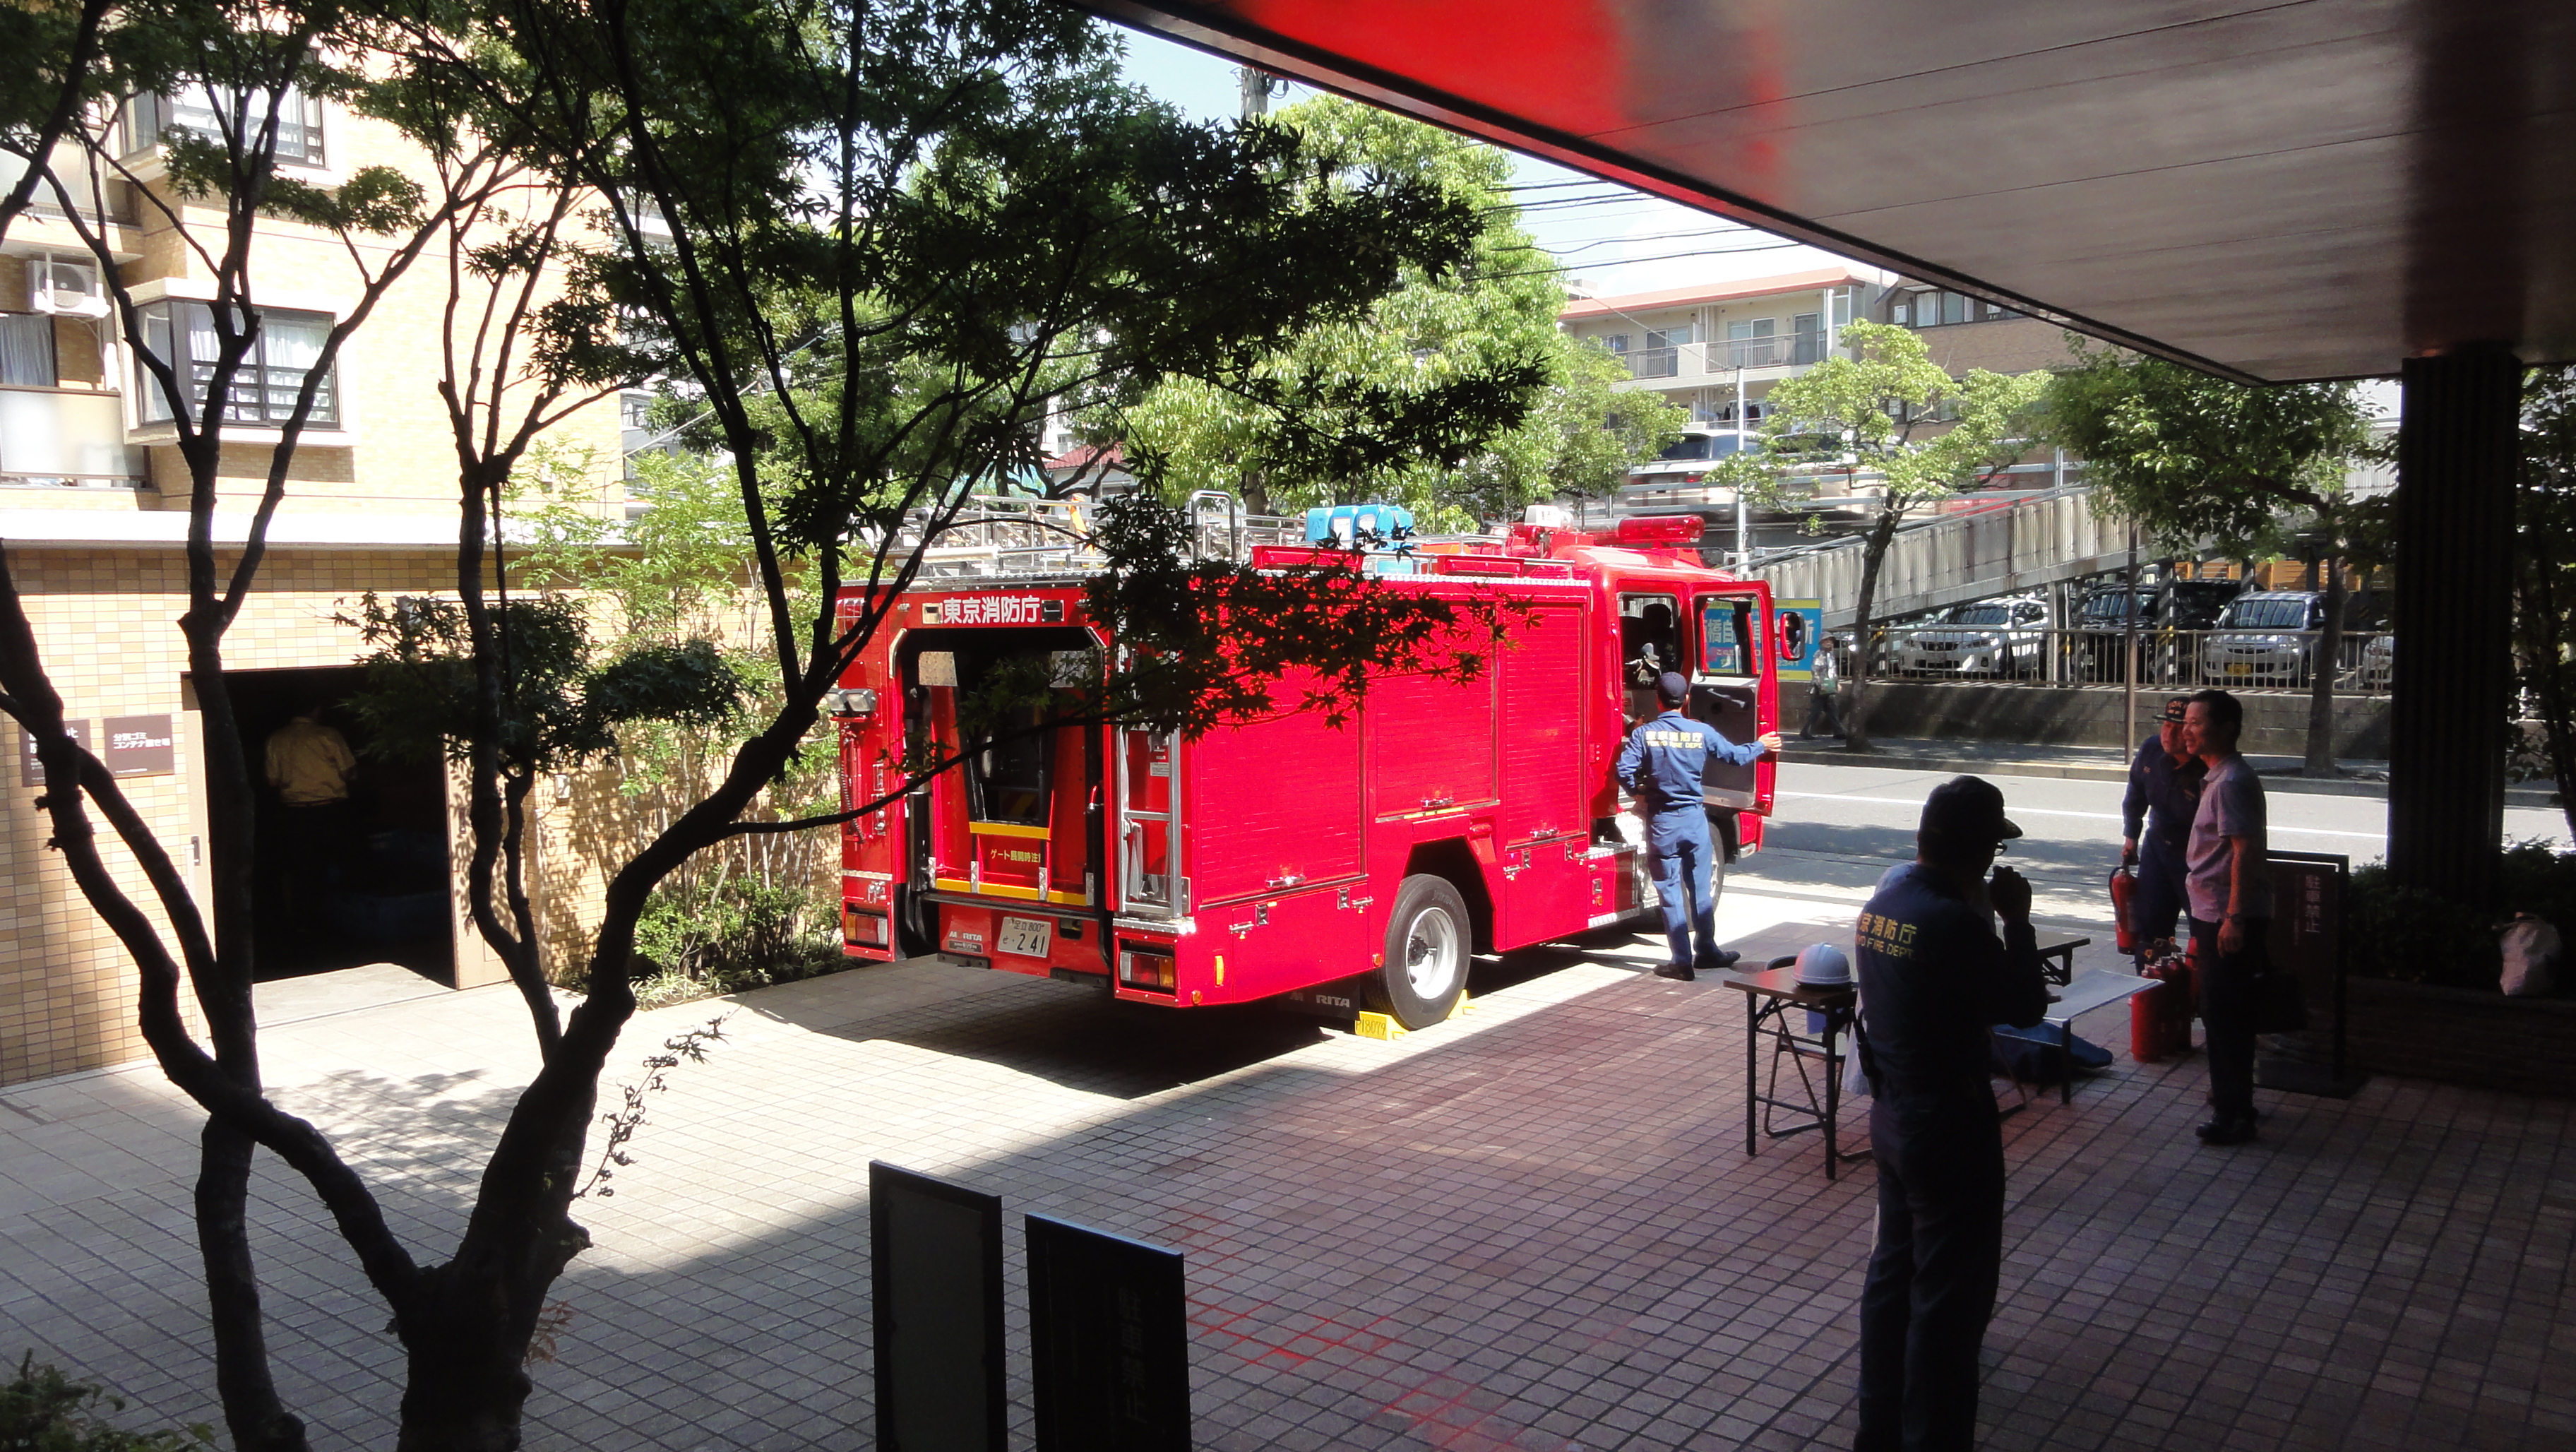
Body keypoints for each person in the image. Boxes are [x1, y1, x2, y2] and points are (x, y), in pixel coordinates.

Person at [1852, 776, 2049, 1452]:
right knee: (1949, 1302)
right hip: (1949, 1126)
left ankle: (1878, 1429)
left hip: (1893, 1117)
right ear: (1981, 853)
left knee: (1893, 1277)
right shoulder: (1954, 923)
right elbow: (2025, 1006)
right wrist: (2016, 921)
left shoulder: (1885, 903)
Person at [1614, 671, 1782, 980]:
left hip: (1663, 823)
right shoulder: (1701, 731)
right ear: (1687, 700)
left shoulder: (1644, 734)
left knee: (1670, 893)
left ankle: (1681, 961)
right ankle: (1707, 951)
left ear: (1658, 700)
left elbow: (1624, 771)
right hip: (1695, 821)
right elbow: (1734, 757)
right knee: (1700, 889)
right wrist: (1760, 745)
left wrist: (1639, 794)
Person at [2182, 687, 2272, 1146]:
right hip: (2215, 911)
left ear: (2227, 728)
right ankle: (2234, 1101)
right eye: (2186, 722)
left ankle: (2233, 1114)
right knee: (2224, 1012)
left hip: (2224, 914)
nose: (2187, 731)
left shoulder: (2231, 781)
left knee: (2225, 1015)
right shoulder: (2218, 776)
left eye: (2197, 723)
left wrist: (2234, 917)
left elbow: (2245, 851)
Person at [2118, 696, 2205, 956]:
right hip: (2157, 846)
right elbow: (2135, 794)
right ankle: (2151, 975)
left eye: (2178, 728)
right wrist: (2131, 838)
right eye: (2166, 726)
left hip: (2195, 855)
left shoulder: (2206, 766)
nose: (2169, 734)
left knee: (2202, 928)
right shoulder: (2152, 749)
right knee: (2149, 926)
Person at [265, 704, 357, 939]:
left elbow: (273, 781)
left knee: (305, 868)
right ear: (316, 710)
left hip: (295, 812)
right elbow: (347, 772)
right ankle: (355, 917)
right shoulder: (327, 735)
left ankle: (305, 924)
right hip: (331, 809)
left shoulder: (277, 739)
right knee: (349, 860)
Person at [1802, 633, 1845, 740]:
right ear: (1821, 642)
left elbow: (1833, 672)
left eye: (1831, 640)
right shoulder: (1819, 655)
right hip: (1820, 688)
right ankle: (1806, 731)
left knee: (1832, 710)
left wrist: (1837, 683)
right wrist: (1820, 684)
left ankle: (1839, 732)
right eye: (1826, 641)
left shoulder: (1831, 654)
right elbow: (1815, 671)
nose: (1829, 643)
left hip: (1830, 686)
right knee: (1816, 711)